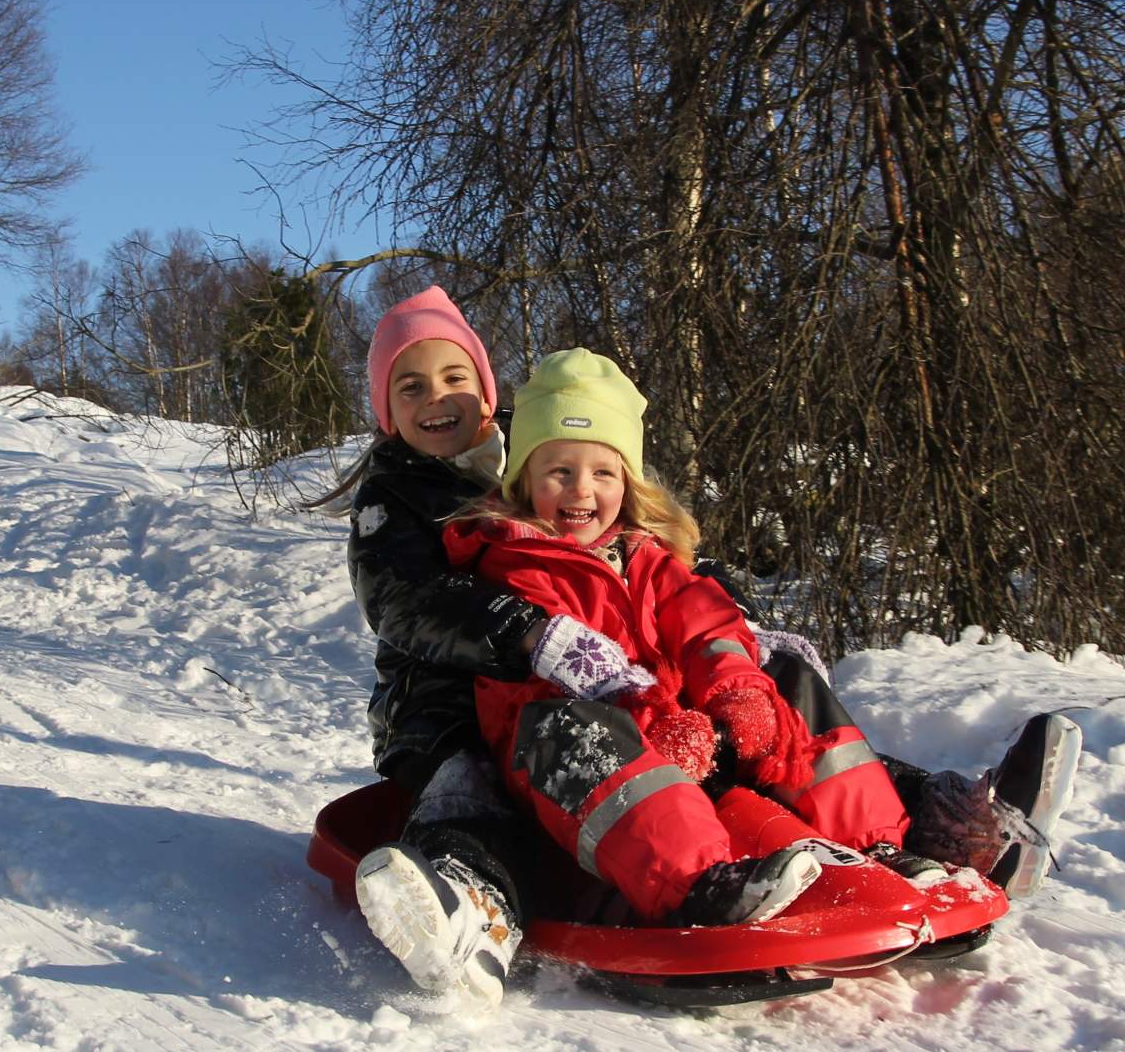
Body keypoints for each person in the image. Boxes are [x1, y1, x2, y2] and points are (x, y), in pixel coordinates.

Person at [336, 286, 1082, 1006]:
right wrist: (537, 636)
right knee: (473, 796)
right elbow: (408, 600)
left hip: (641, 698)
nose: (436, 398)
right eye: (410, 386)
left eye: (454, 376)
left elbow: (674, 585)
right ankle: (473, 912)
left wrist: (735, 663)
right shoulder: (415, 505)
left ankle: (937, 829)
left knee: (777, 687)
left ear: (486, 390)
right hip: (450, 714)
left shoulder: (538, 465)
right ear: (384, 409)